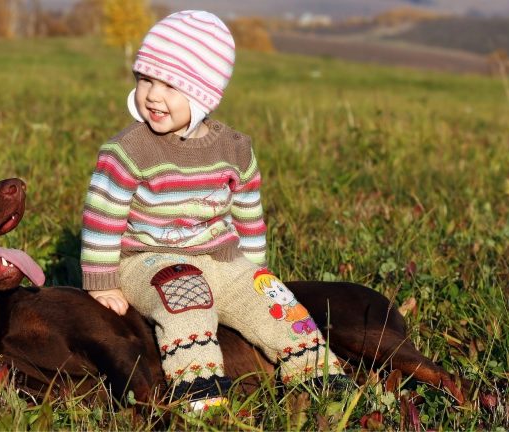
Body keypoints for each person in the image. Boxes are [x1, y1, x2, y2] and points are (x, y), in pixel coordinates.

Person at [80, 10, 347, 408]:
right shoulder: (128, 151)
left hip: (219, 258)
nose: (152, 95)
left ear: (202, 95)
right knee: (184, 294)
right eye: (145, 80)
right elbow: (103, 216)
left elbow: (247, 212)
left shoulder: (235, 150)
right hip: (145, 259)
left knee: (272, 298)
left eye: (170, 85)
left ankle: (316, 371)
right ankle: (199, 388)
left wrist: (255, 268)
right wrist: (102, 282)